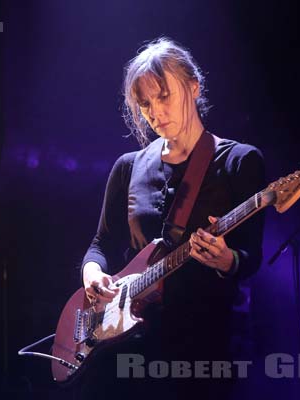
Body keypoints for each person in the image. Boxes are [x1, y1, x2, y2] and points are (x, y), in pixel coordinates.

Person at [76, 37, 265, 399]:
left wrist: (226, 260)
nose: (154, 112)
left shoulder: (239, 162)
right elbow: (101, 244)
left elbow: (250, 258)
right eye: (145, 104)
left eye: (163, 96)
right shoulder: (127, 167)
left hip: (203, 347)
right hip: (129, 347)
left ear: (193, 87)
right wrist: (92, 274)